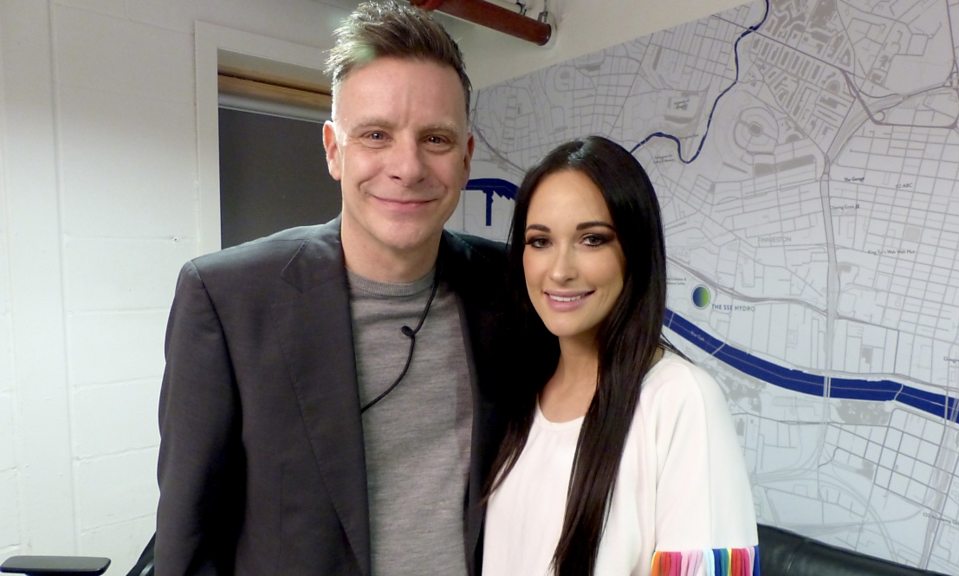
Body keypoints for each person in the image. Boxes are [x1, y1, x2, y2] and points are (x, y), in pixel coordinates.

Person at [156, 2, 514, 574]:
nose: (408, 167)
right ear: (332, 150)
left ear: (466, 157)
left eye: (436, 139)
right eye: (375, 134)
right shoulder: (227, 299)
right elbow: (188, 539)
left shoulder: (511, 286)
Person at [482, 136, 760, 576]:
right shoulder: (516, 391)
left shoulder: (679, 399)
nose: (560, 270)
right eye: (540, 241)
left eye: (592, 239)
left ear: (635, 252)